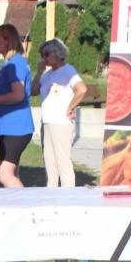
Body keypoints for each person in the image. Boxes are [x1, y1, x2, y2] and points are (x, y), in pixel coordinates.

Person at [31, 37, 88, 187]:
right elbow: (34, 91)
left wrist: (70, 107)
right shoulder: (47, 74)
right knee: (49, 162)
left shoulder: (68, 70)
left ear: (58, 53)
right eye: (42, 55)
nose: (44, 58)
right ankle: (52, 192)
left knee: (63, 161)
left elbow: (81, 89)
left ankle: (68, 194)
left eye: (47, 54)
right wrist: (39, 72)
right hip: (47, 121)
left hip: (61, 122)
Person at [0, 24, 33, 187]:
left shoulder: (15, 63)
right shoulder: (12, 63)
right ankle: (16, 207)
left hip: (15, 127)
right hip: (8, 127)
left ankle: (29, 208)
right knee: (10, 172)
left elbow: (18, 95)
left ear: (8, 40)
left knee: (3, 173)